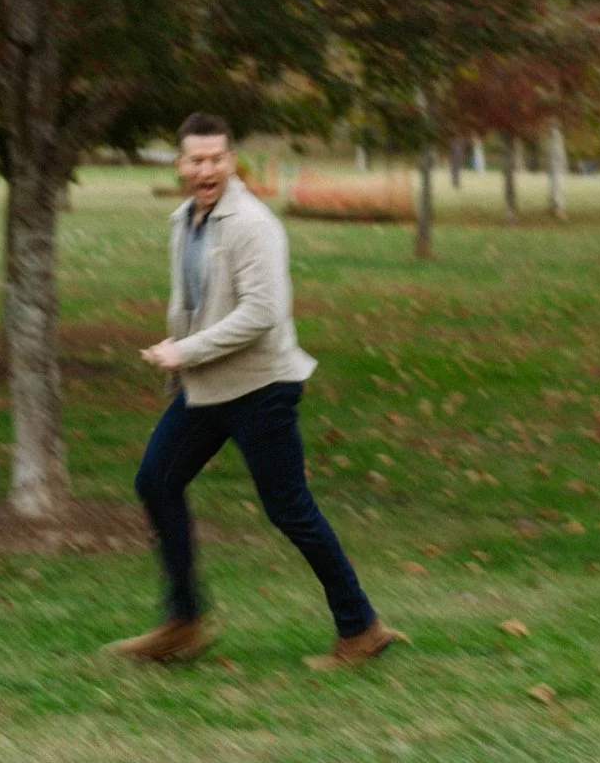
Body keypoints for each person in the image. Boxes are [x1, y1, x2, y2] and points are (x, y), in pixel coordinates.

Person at [110, 115, 403, 666]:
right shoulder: (186, 221)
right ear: (180, 164)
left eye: (216, 158)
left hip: (261, 387)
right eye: (195, 159)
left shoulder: (251, 223)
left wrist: (186, 351)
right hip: (208, 386)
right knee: (156, 481)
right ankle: (184, 621)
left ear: (231, 160)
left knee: (290, 508)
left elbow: (263, 313)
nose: (206, 169)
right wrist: (181, 349)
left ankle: (361, 628)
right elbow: (203, 303)